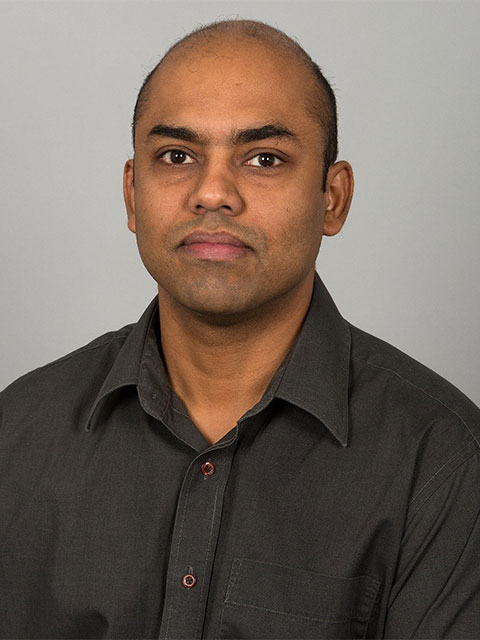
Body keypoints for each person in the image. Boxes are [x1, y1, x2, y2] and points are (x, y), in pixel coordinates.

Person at [1, 18, 479, 640]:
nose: (213, 193)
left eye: (263, 158)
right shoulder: (16, 433)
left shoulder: (443, 463)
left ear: (332, 198)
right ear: (131, 195)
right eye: (177, 156)